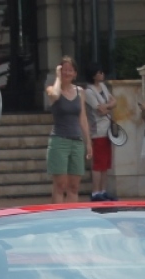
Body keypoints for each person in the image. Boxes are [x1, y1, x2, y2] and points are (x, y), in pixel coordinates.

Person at [44, 56, 91, 204]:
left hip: (76, 141)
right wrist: (58, 77)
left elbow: (82, 118)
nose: (67, 73)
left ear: (75, 74)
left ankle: (71, 219)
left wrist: (88, 143)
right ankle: (57, 218)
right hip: (59, 140)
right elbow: (55, 95)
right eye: (64, 70)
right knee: (60, 185)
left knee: (74, 186)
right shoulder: (52, 89)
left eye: (70, 70)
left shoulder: (80, 92)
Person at [82, 62, 117, 200]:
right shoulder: (89, 91)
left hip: (107, 130)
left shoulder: (103, 87)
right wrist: (108, 106)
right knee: (98, 164)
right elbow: (100, 110)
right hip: (98, 131)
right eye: (99, 72)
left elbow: (114, 102)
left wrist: (107, 105)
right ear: (93, 75)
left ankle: (103, 190)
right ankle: (95, 192)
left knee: (106, 163)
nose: (102, 74)